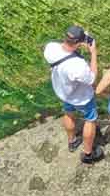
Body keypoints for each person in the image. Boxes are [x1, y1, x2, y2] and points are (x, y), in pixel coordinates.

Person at [43, 25, 104, 163]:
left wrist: (77, 42)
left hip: (63, 93)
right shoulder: (77, 65)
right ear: (78, 43)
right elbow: (92, 78)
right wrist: (93, 52)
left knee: (68, 113)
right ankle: (88, 154)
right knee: (90, 119)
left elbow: (65, 47)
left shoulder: (50, 47)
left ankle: (72, 141)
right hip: (81, 98)